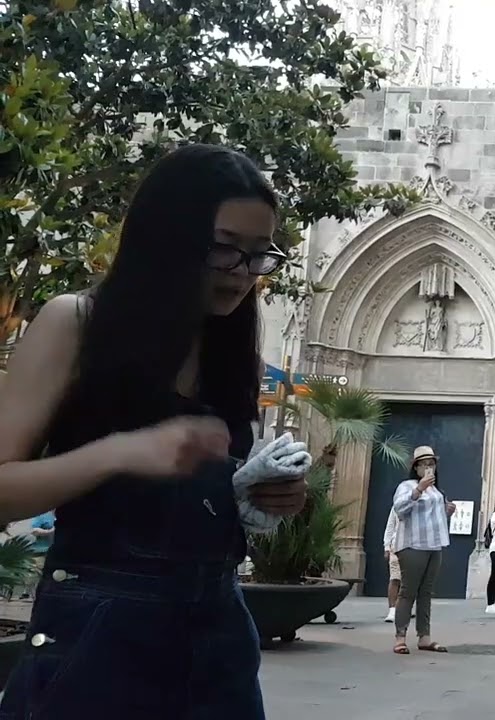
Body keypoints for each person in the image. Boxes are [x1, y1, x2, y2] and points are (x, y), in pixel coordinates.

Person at [0, 144, 308, 717]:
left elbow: (190, 498)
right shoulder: (75, 323)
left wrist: (252, 493)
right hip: (100, 634)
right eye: (225, 248)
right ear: (168, 234)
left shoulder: (227, 345)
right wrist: (120, 452)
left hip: (219, 637)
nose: (243, 274)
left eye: (261, 255)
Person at [389, 445, 455, 654]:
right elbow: (399, 509)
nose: (429, 468)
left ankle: (424, 637)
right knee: (408, 591)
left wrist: (448, 511)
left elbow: (434, 519)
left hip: (434, 545)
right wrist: (419, 490)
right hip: (412, 544)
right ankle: (400, 638)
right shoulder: (407, 486)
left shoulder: (437, 490)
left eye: (431, 464)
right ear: (416, 468)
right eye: (424, 464)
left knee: (426, 592)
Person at [23, 511, 55, 599]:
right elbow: (34, 531)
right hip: (41, 550)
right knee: (35, 572)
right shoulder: (43, 515)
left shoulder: (65, 512)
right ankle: (28, 592)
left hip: (58, 550)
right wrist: (50, 531)